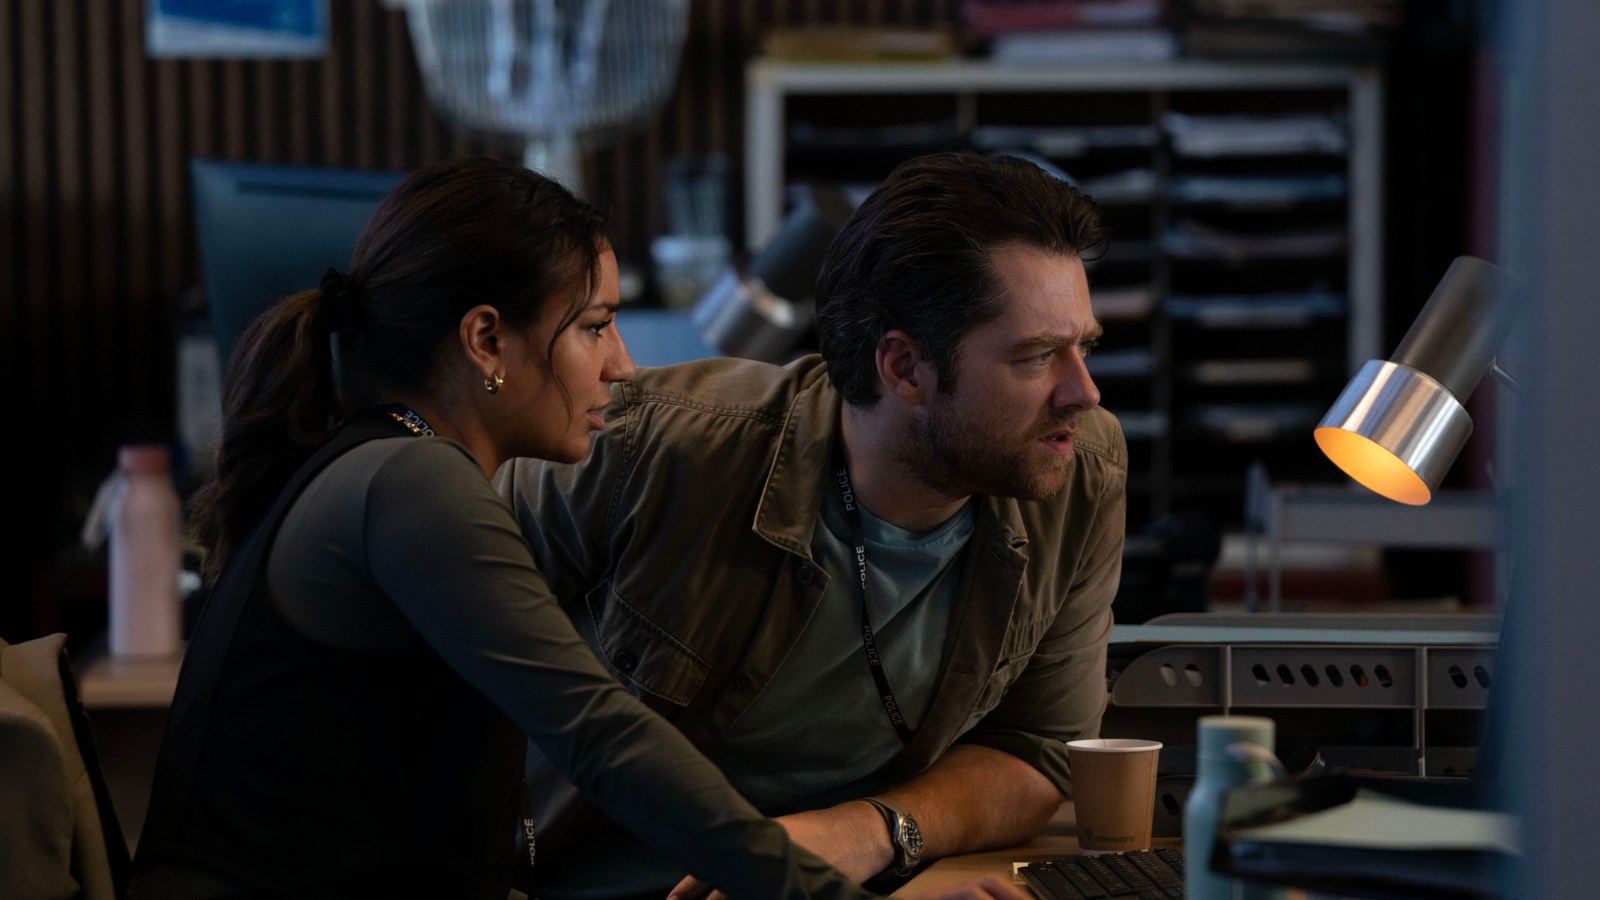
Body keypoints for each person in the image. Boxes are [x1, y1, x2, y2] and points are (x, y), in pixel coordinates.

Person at [128, 157, 1003, 900]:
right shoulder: (414, 483)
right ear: (484, 341)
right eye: (595, 326)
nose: (623, 365)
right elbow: (603, 738)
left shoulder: (390, 463)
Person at [499, 151, 1126, 899]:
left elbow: (1037, 750)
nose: (1082, 393)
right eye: (1035, 358)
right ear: (902, 368)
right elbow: (408, 659)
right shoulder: (649, 450)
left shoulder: (1080, 470)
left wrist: (868, 831)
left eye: (1084, 347)